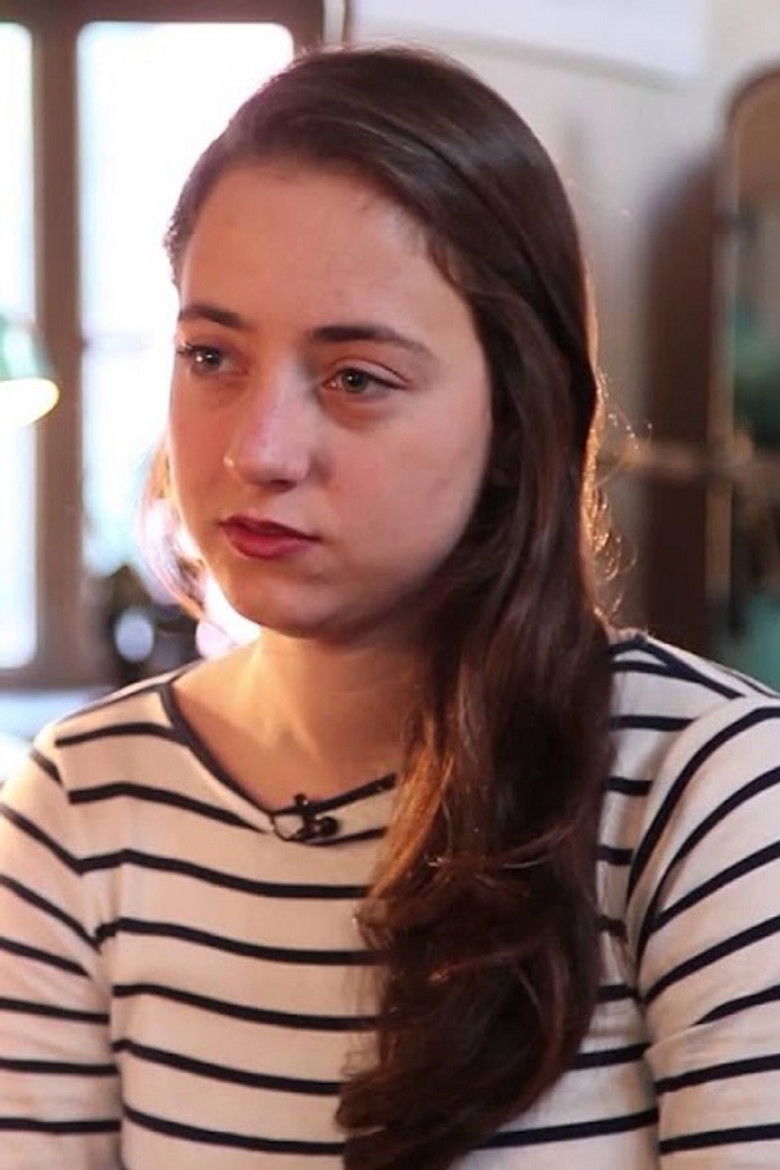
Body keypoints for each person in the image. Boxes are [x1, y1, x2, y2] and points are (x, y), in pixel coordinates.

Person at [1, 45, 779, 1170]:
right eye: (211, 355)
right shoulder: (82, 805)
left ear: (515, 414)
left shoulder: (704, 795)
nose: (259, 450)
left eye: (357, 378)